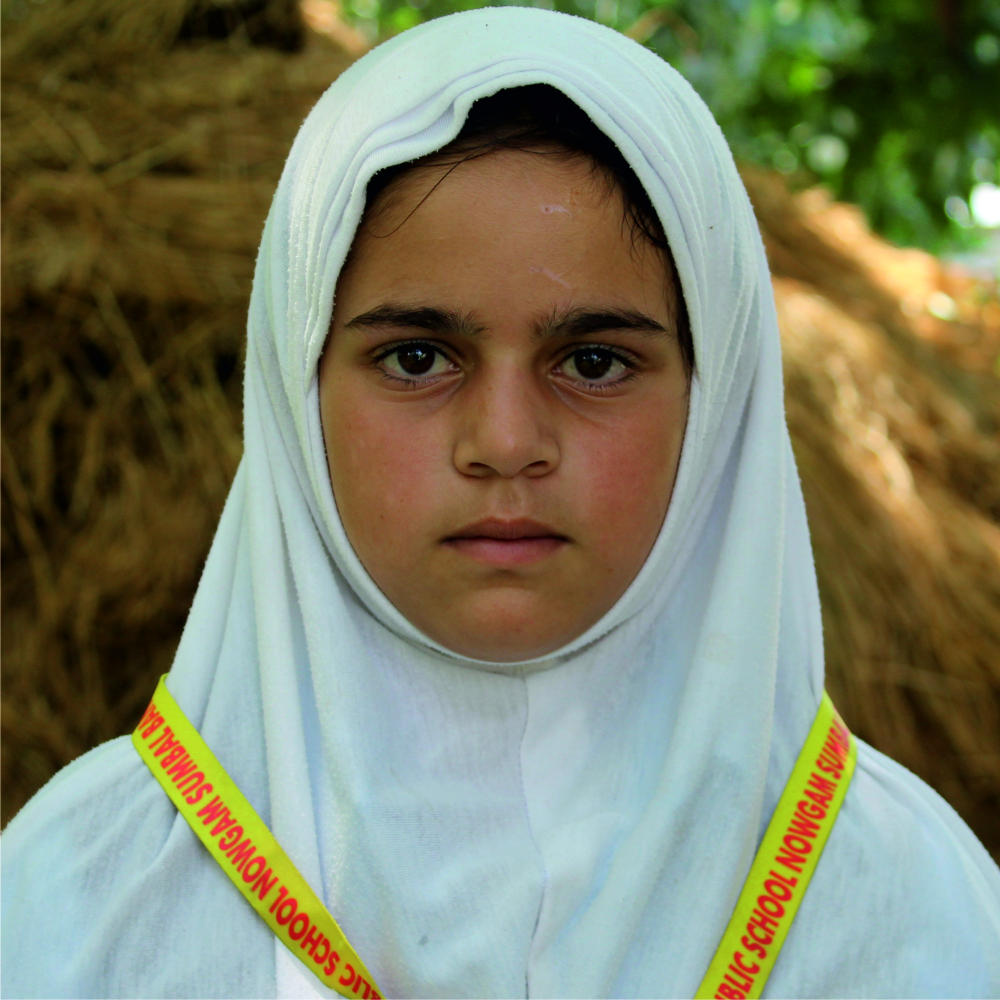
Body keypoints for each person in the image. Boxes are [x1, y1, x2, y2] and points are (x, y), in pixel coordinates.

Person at [2, 8, 998, 999]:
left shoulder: (905, 907)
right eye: (416, 358)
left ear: (715, 401)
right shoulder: (80, 906)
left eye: (594, 362)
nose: (507, 442)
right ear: (297, 391)